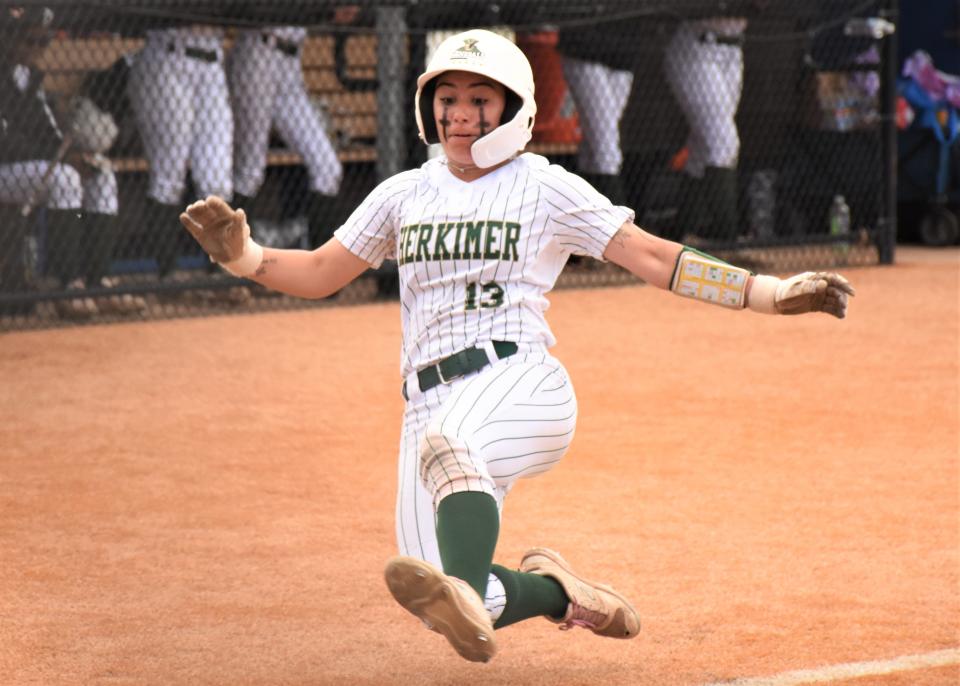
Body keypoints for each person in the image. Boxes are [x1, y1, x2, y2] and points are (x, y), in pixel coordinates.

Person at [179, 29, 854, 663]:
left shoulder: (543, 185)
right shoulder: (404, 193)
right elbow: (323, 272)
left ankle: (469, 591)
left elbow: (651, 255)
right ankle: (563, 596)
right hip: (426, 401)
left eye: (478, 99)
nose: (459, 113)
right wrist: (246, 257)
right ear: (428, 107)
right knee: (431, 594)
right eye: (447, 99)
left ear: (512, 110)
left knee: (452, 451)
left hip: (521, 381)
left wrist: (766, 292)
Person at [0, 5, 140, 318]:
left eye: (43, 42)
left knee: (101, 173)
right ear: (7, 39)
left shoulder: (31, 75)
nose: (38, 49)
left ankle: (97, 281)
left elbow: (50, 129)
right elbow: (6, 142)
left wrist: (72, 154)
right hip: (6, 167)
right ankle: (67, 286)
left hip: (30, 166)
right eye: (30, 41)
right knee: (65, 179)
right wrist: (57, 158)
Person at [126, 23, 234, 278]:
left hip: (211, 63)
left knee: (217, 178)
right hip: (167, 58)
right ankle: (167, 274)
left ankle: (219, 272)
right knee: (168, 176)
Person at [227, 25, 343, 250]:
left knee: (328, 169)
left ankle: (320, 266)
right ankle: (233, 259)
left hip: (290, 62)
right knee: (250, 170)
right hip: (258, 54)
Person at [663, 16, 749, 242]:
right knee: (724, 144)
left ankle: (682, 231)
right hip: (696, 47)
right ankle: (728, 240)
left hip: (732, 50)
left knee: (703, 148)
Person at [555, 22, 637, 204]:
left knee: (593, 150)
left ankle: (583, 215)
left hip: (624, 56)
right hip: (584, 51)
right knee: (606, 150)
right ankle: (618, 223)